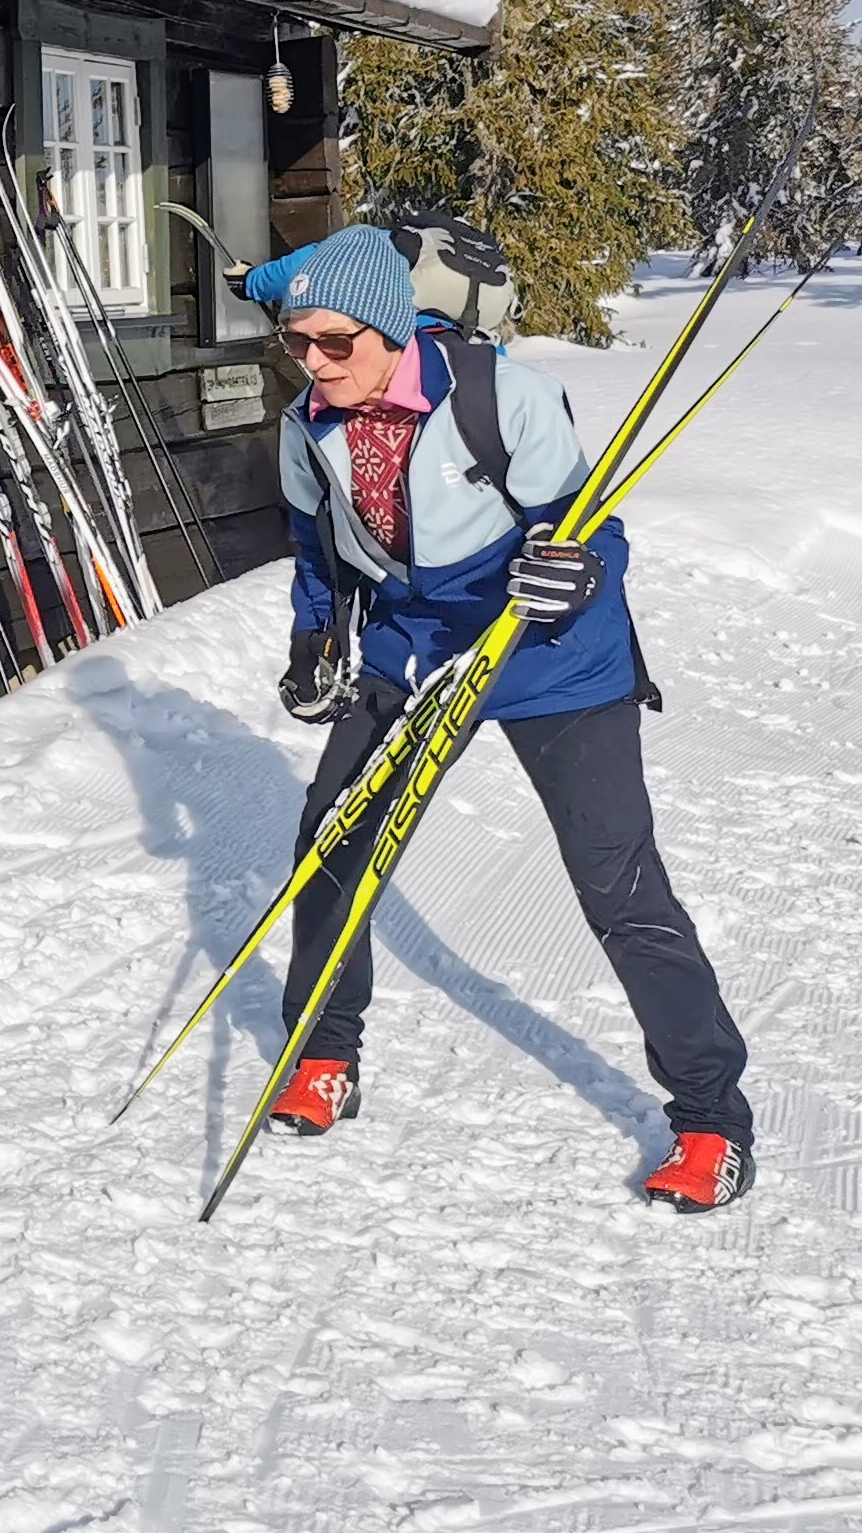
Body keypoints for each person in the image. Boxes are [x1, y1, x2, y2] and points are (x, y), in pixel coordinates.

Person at [248, 223, 755, 1213]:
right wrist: (314, 644)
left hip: (548, 652)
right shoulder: (308, 425)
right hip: (413, 646)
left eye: (334, 343)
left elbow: (593, 527)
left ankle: (710, 1118)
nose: (313, 363)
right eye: (296, 343)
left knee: (618, 885)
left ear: (392, 329)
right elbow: (320, 554)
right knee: (332, 846)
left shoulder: (501, 398)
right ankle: (324, 1055)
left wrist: (577, 572)